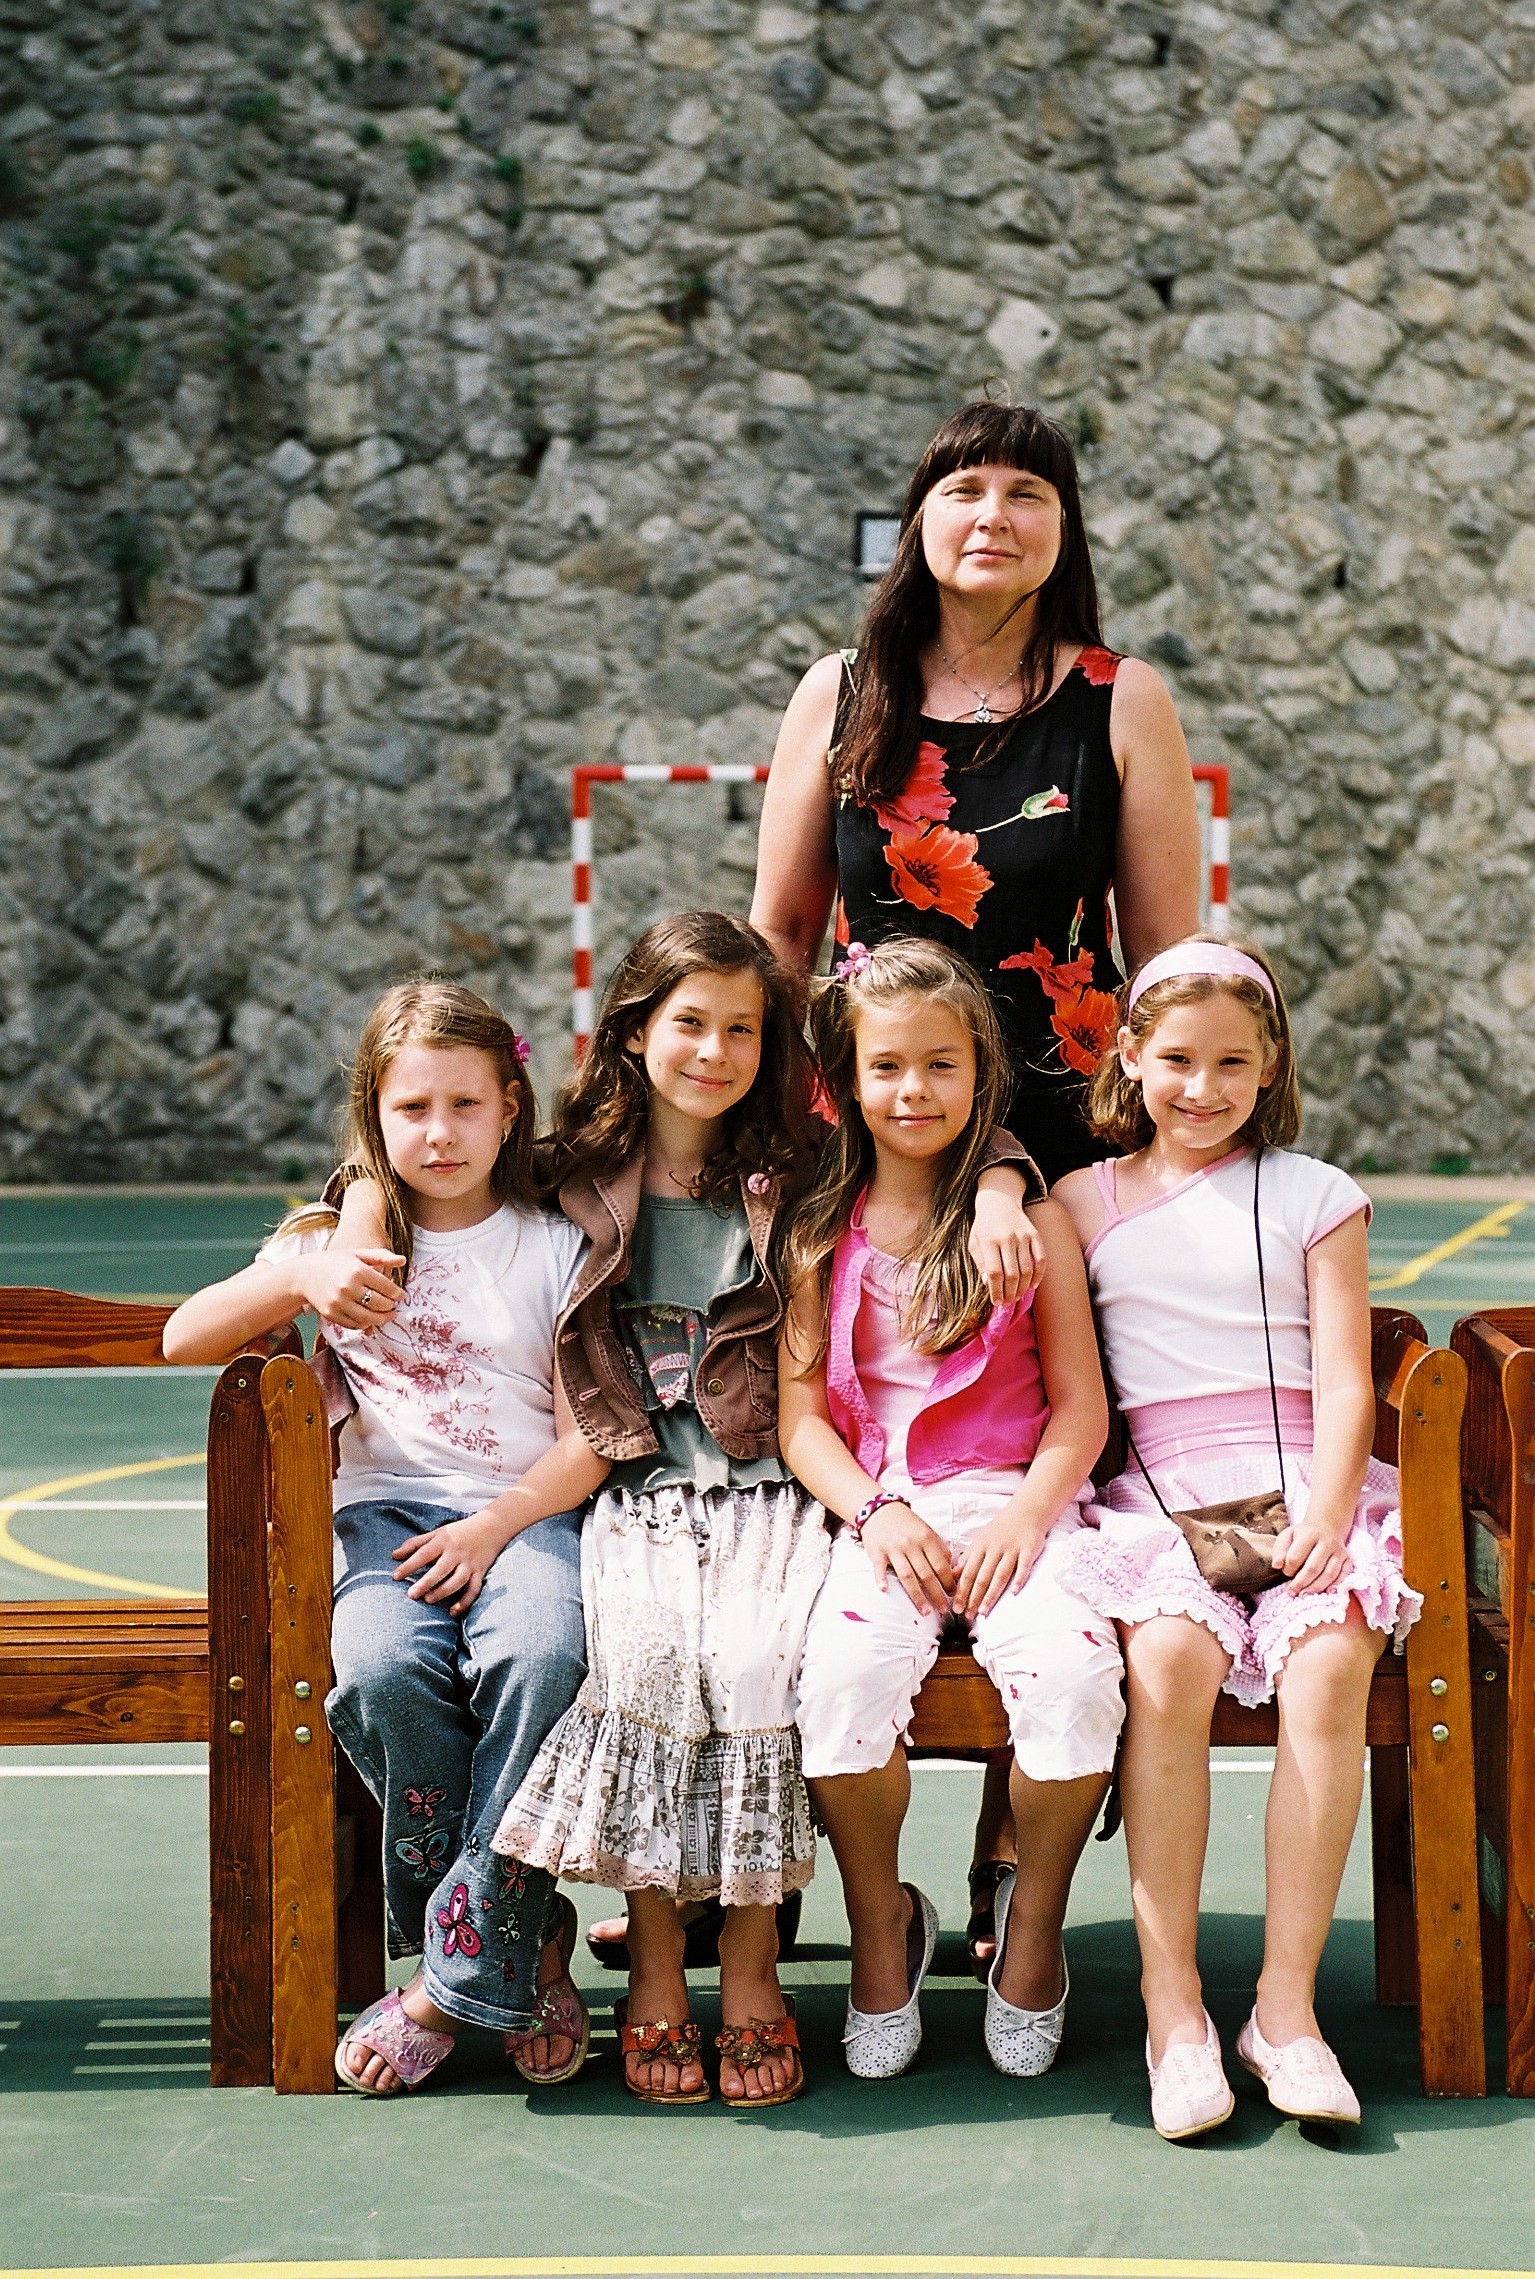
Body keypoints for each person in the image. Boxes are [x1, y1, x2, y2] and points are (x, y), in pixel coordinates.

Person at [750, 396, 1202, 1961]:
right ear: (918, 523)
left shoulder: (1117, 700)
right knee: (835, 1461)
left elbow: (1165, 956)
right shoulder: (840, 692)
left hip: (1064, 1137)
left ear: (1060, 530)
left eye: (1025, 491)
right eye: (962, 488)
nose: (991, 514)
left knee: (1057, 1475)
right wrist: (766, 1140)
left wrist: (1173, 1169)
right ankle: (769, 1856)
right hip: (866, 1125)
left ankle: (1017, 1844)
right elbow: (781, 933)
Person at [163, 978, 603, 2096]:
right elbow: (182, 1336)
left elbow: (589, 1440)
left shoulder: (558, 1246)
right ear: (374, 1114)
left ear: (510, 1107)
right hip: (383, 1520)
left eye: (465, 1104)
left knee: (543, 1654)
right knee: (376, 1670)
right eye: (412, 1108)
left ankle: (455, 1976)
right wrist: (302, 1272)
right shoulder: (340, 1245)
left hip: (524, 1512)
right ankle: (520, 1941)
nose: (440, 1132)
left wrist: (496, 1525)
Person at [1053, 936, 1421, 2140]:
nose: (1200, 1086)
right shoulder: (1080, 1201)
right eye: (1175, 1058)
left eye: (1229, 1061)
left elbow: (1344, 1375)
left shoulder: (1315, 1193)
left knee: (1328, 1659)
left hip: (1305, 1483)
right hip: (1161, 1503)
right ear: (1128, 1055)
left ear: (1268, 1064)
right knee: (1165, 1662)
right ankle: (1172, 2013)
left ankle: (1282, 2009)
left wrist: (1326, 1507)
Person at [491, 911, 830, 2110]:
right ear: (635, 1030)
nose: (715, 1050)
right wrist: (333, 1228)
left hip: (767, 1482)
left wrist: (1000, 1182)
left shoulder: (797, 1174)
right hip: (632, 1486)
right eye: (690, 1022)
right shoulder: (563, 1175)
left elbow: (952, 1127)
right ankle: (650, 1962)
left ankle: (747, 1958)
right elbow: (415, 1169)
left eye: (742, 1028)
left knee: (754, 1659)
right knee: (641, 1657)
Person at [778, 937, 1120, 2081]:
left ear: (981, 1074)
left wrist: (1027, 1516)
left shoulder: (1030, 1224)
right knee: (838, 1684)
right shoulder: (816, 1228)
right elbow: (801, 1421)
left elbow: (1078, 1407)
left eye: (939, 1064)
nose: (912, 1090)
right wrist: (873, 1510)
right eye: (885, 1066)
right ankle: (883, 1922)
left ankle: (1034, 1922)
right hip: (884, 1511)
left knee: (1072, 1680)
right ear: (845, 1078)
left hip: (1020, 1505)